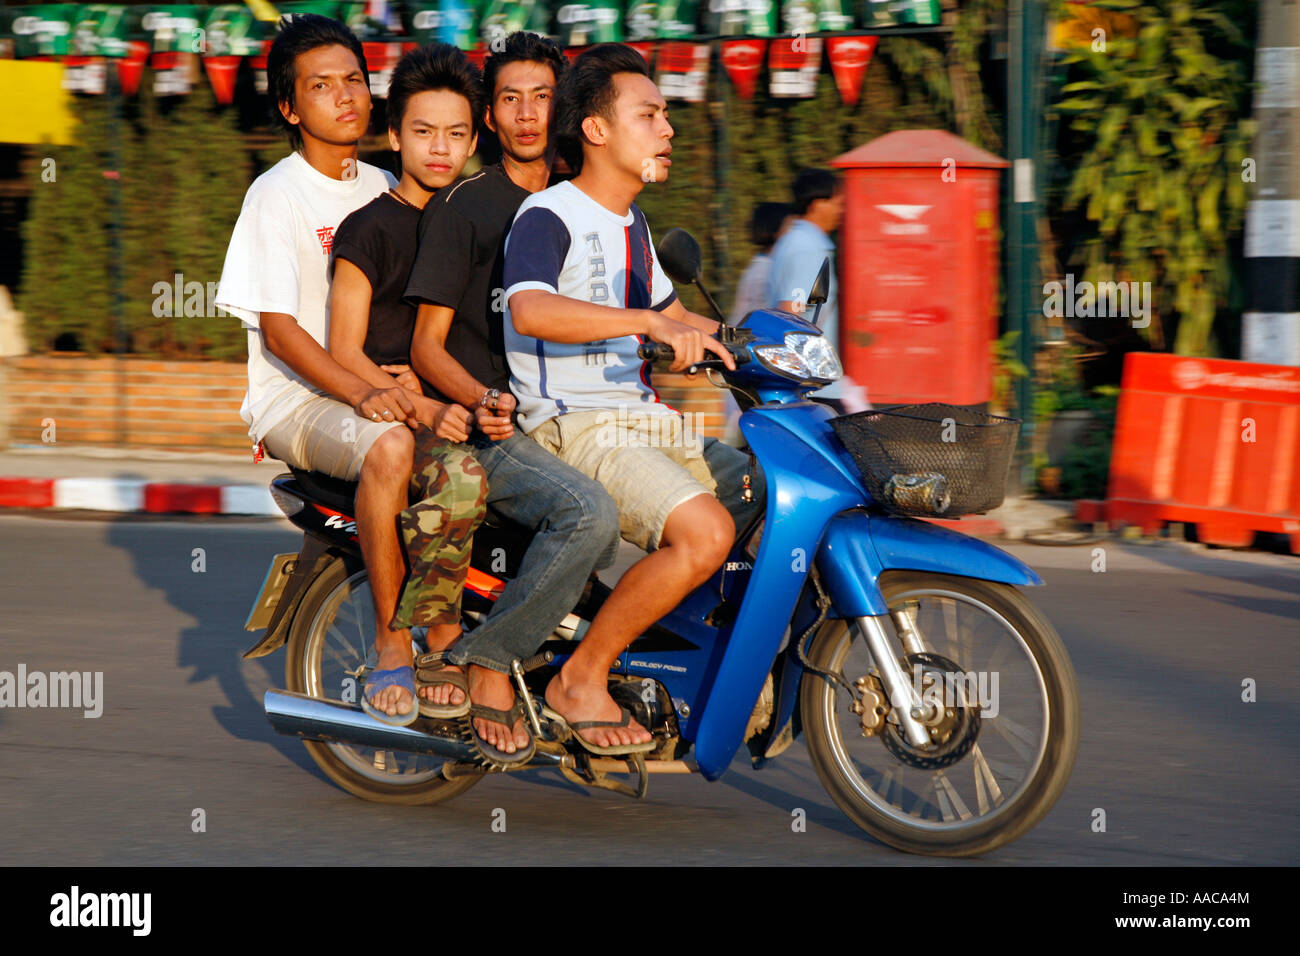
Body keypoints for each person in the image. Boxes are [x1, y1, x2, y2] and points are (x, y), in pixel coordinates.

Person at [215, 15, 479, 728]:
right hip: (299, 400)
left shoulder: (393, 182)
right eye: (321, 86)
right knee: (392, 445)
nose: (345, 97)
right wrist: (368, 390)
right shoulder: (277, 195)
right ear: (291, 108)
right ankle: (395, 641)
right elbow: (280, 328)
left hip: (378, 381)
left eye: (355, 81)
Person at [503, 44, 765, 755]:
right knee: (707, 533)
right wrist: (647, 323)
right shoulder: (548, 214)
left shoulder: (635, 225)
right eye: (649, 114)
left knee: (765, 493)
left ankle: (704, 662)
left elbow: (677, 317)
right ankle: (580, 679)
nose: (667, 129)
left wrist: (767, 337)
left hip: (642, 419)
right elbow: (529, 310)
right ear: (595, 129)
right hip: (576, 423)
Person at [403, 32, 621, 764]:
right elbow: (425, 346)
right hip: (488, 432)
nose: (527, 114)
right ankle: (489, 660)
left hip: (575, 419)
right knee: (588, 514)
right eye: (508, 99)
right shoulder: (464, 209)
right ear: (490, 118)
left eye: (540, 97)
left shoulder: (584, 201)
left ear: (562, 106)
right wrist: (482, 396)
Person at [328, 43, 492, 721]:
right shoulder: (369, 229)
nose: (439, 149)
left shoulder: (486, 221)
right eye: (422, 132)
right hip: (394, 408)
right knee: (459, 481)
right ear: (394, 134)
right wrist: (417, 404)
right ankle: (417, 640)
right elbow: (342, 346)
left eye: (456, 134)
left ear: (474, 139)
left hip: (474, 404)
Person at [767, 167, 869, 415]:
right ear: (817, 204)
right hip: (814, 388)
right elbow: (792, 313)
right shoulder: (810, 249)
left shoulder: (793, 241)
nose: (841, 211)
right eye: (837, 203)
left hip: (808, 385)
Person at [722, 201, 793, 444]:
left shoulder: (757, 267)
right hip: (755, 381)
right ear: (777, 229)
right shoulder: (770, 271)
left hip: (746, 378)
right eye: (790, 226)